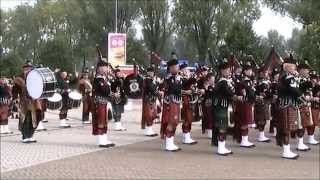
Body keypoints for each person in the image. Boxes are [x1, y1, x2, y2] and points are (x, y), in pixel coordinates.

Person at [277, 54, 302, 159]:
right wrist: (302, 98)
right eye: (292, 66)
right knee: (286, 129)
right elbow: (294, 90)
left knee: (288, 128)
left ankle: (287, 150)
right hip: (286, 104)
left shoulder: (288, 76)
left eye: (294, 66)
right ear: (286, 66)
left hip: (290, 105)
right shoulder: (286, 76)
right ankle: (286, 152)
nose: (294, 68)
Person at [12, 60, 41, 143]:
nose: (28, 69)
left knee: (38, 116)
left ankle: (30, 135)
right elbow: (15, 90)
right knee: (26, 118)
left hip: (35, 100)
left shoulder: (34, 77)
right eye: (27, 68)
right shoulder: (19, 78)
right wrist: (15, 99)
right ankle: (25, 136)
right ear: (23, 68)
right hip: (24, 101)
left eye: (30, 68)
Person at [211, 59, 235, 155]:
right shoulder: (222, 82)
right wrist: (234, 95)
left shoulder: (225, 81)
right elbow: (229, 93)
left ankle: (222, 147)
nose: (229, 71)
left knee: (224, 126)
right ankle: (220, 148)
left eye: (229, 70)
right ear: (222, 71)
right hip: (221, 106)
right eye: (227, 70)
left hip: (223, 106)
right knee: (222, 127)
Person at [160, 54, 182, 151]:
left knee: (175, 122)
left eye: (178, 67)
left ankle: (171, 143)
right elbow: (174, 89)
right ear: (171, 68)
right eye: (176, 67)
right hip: (170, 103)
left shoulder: (176, 78)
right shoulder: (168, 79)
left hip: (176, 102)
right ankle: (168, 144)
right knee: (171, 122)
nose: (178, 68)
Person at [92, 60, 115, 148]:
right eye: (105, 67)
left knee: (104, 121)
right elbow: (104, 90)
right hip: (99, 102)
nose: (106, 69)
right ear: (100, 68)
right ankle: (101, 141)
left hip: (103, 102)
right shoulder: (99, 79)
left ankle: (104, 139)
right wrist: (112, 94)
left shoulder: (103, 78)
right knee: (101, 121)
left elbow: (107, 89)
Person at [234, 59, 256, 148]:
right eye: (250, 70)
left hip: (248, 103)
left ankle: (245, 140)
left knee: (246, 121)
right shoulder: (243, 82)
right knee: (244, 122)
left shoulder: (248, 81)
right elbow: (245, 93)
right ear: (245, 71)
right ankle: (243, 140)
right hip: (244, 103)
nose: (251, 72)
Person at [180, 63, 198, 144]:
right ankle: (186, 135)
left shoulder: (187, 78)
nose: (187, 71)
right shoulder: (180, 78)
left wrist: (195, 90)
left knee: (190, 117)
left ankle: (186, 135)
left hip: (190, 99)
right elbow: (185, 84)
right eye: (185, 69)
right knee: (187, 117)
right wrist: (192, 78)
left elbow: (192, 86)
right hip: (184, 99)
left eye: (187, 69)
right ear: (181, 70)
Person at [141, 66, 161, 137]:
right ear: (147, 72)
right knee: (149, 115)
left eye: (152, 72)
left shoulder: (152, 80)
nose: (151, 73)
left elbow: (156, 87)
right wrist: (158, 92)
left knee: (153, 114)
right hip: (148, 99)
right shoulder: (146, 80)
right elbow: (151, 88)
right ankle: (148, 130)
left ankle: (150, 129)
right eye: (149, 72)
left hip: (153, 99)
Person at [254, 65, 272, 142]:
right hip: (261, 102)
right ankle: (261, 136)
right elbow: (266, 92)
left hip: (265, 102)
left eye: (267, 72)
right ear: (261, 73)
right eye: (265, 72)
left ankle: (262, 135)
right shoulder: (260, 82)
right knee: (262, 119)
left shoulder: (266, 81)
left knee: (264, 119)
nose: (267, 73)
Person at [110, 67, 127, 131]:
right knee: (116, 112)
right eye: (118, 73)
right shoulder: (114, 80)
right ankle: (117, 125)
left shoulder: (121, 79)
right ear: (115, 74)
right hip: (115, 98)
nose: (119, 74)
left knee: (119, 112)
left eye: (120, 73)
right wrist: (120, 80)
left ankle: (119, 125)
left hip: (121, 98)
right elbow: (113, 87)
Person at [202, 73, 215, 139]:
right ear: (208, 79)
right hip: (208, 102)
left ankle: (210, 130)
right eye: (212, 79)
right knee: (209, 117)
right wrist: (207, 89)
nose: (213, 80)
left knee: (212, 117)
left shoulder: (213, 85)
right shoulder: (206, 85)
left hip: (213, 102)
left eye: (213, 79)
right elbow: (206, 95)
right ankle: (209, 132)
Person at [310, 71, 320, 144]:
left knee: (315, 121)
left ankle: (311, 137)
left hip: (316, 106)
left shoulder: (318, 86)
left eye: (315, 79)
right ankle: (311, 137)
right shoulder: (307, 86)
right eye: (312, 78)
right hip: (311, 105)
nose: (314, 80)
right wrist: (313, 98)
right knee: (312, 122)